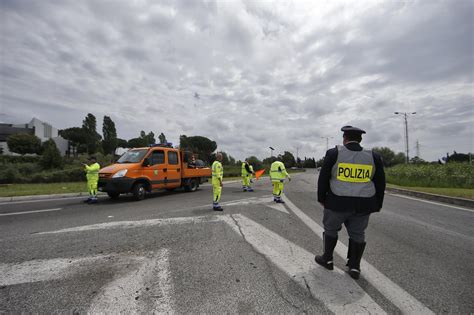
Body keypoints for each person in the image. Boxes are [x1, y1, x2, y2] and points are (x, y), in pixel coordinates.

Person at [315, 126, 386, 279]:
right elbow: (380, 183)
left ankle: (327, 259)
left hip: (337, 202)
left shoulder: (334, 153)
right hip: (363, 205)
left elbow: (324, 178)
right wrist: (378, 204)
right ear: (360, 139)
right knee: (358, 233)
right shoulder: (373, 156)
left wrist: (322, 198)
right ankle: (354, 266)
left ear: (344, 138)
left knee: (331, 229)